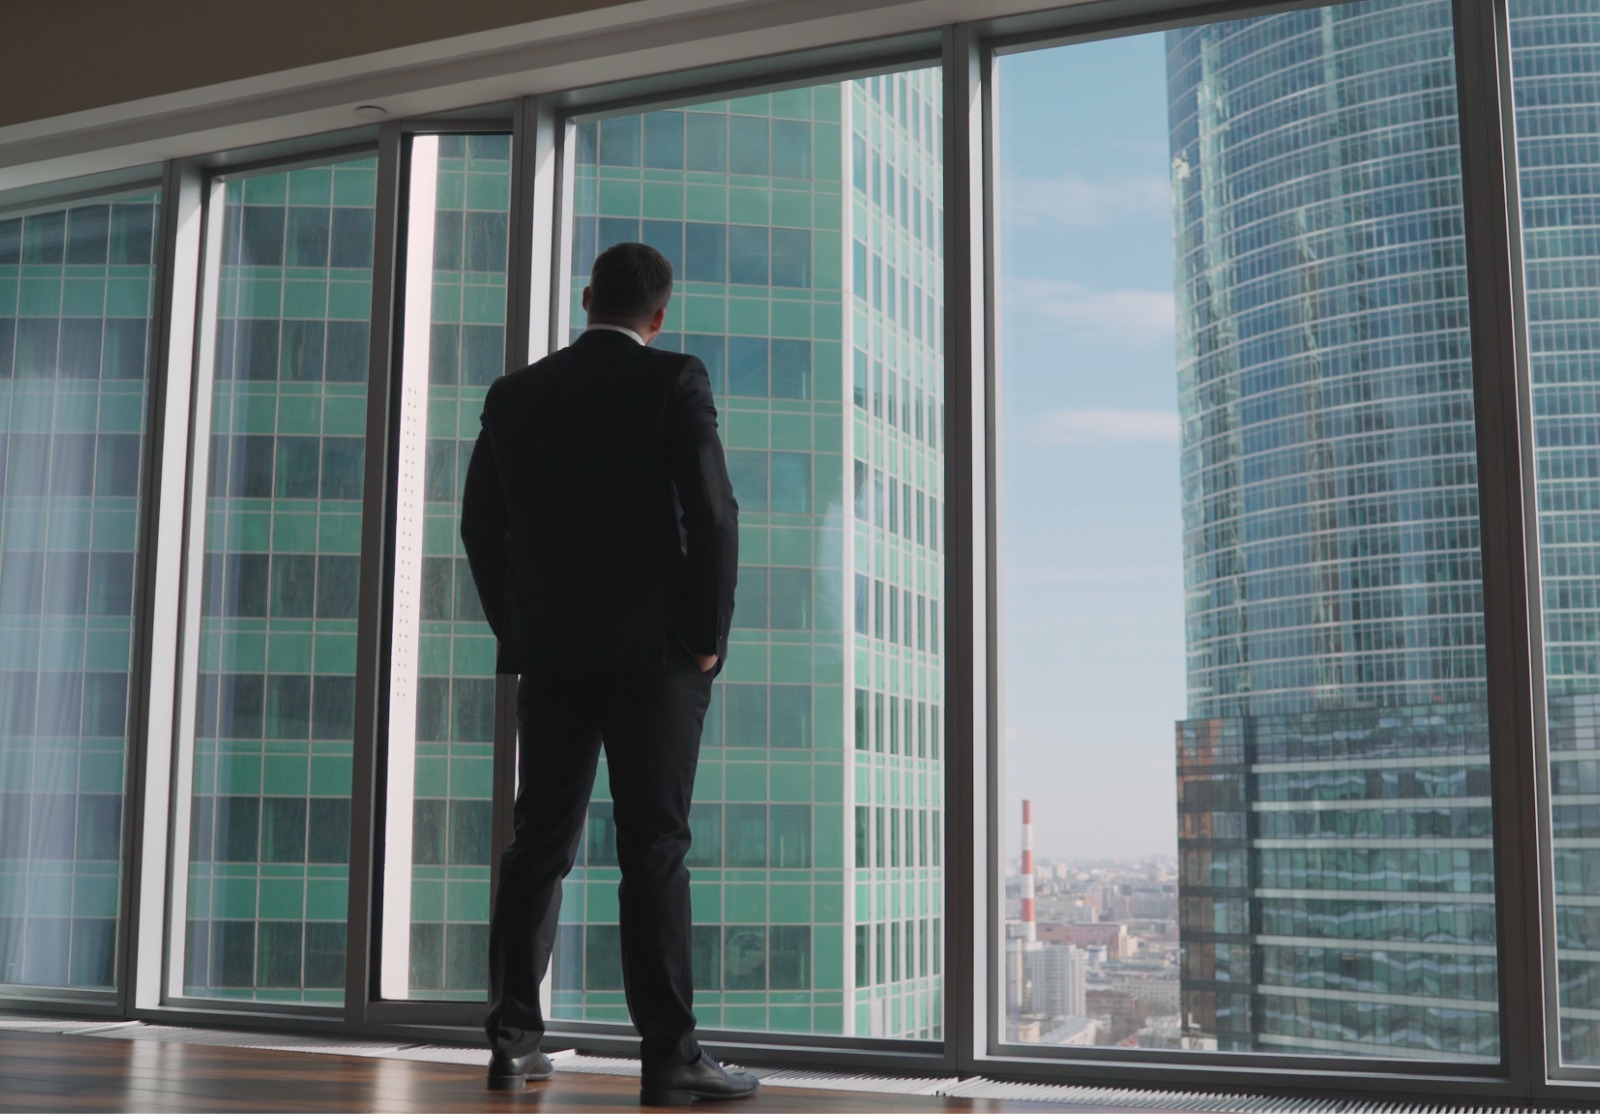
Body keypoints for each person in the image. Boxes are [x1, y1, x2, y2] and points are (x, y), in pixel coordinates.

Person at [460, 242, 753, 1105]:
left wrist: (519, 628)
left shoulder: (515, 395)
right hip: (654, 654)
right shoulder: (675, 380)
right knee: (653, 847)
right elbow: (714, 513)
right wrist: (705, 638)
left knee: (538, 844)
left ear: (587, 297)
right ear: (659, 315)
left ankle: (513, 1043)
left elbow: (482, 525)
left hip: (552, 652)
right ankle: (669, 1057)